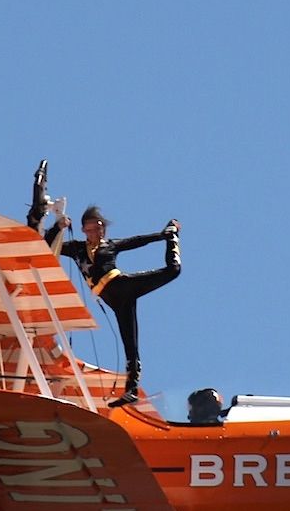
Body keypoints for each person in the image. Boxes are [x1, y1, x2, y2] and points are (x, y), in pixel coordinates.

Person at [27, 164, 181, 407]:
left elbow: (135, 241)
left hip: (121, 286)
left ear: (102, 228)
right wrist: (58, 225)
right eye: (89, 227)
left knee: (173, 271)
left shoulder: (110, 245)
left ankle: (173, 237)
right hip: (111, 299)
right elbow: (46, 246)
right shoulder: (76, 248)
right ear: (83, 229)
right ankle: (131, 389)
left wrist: (162, 235)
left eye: (98, 227)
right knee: (129, 341)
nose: (94, 231)